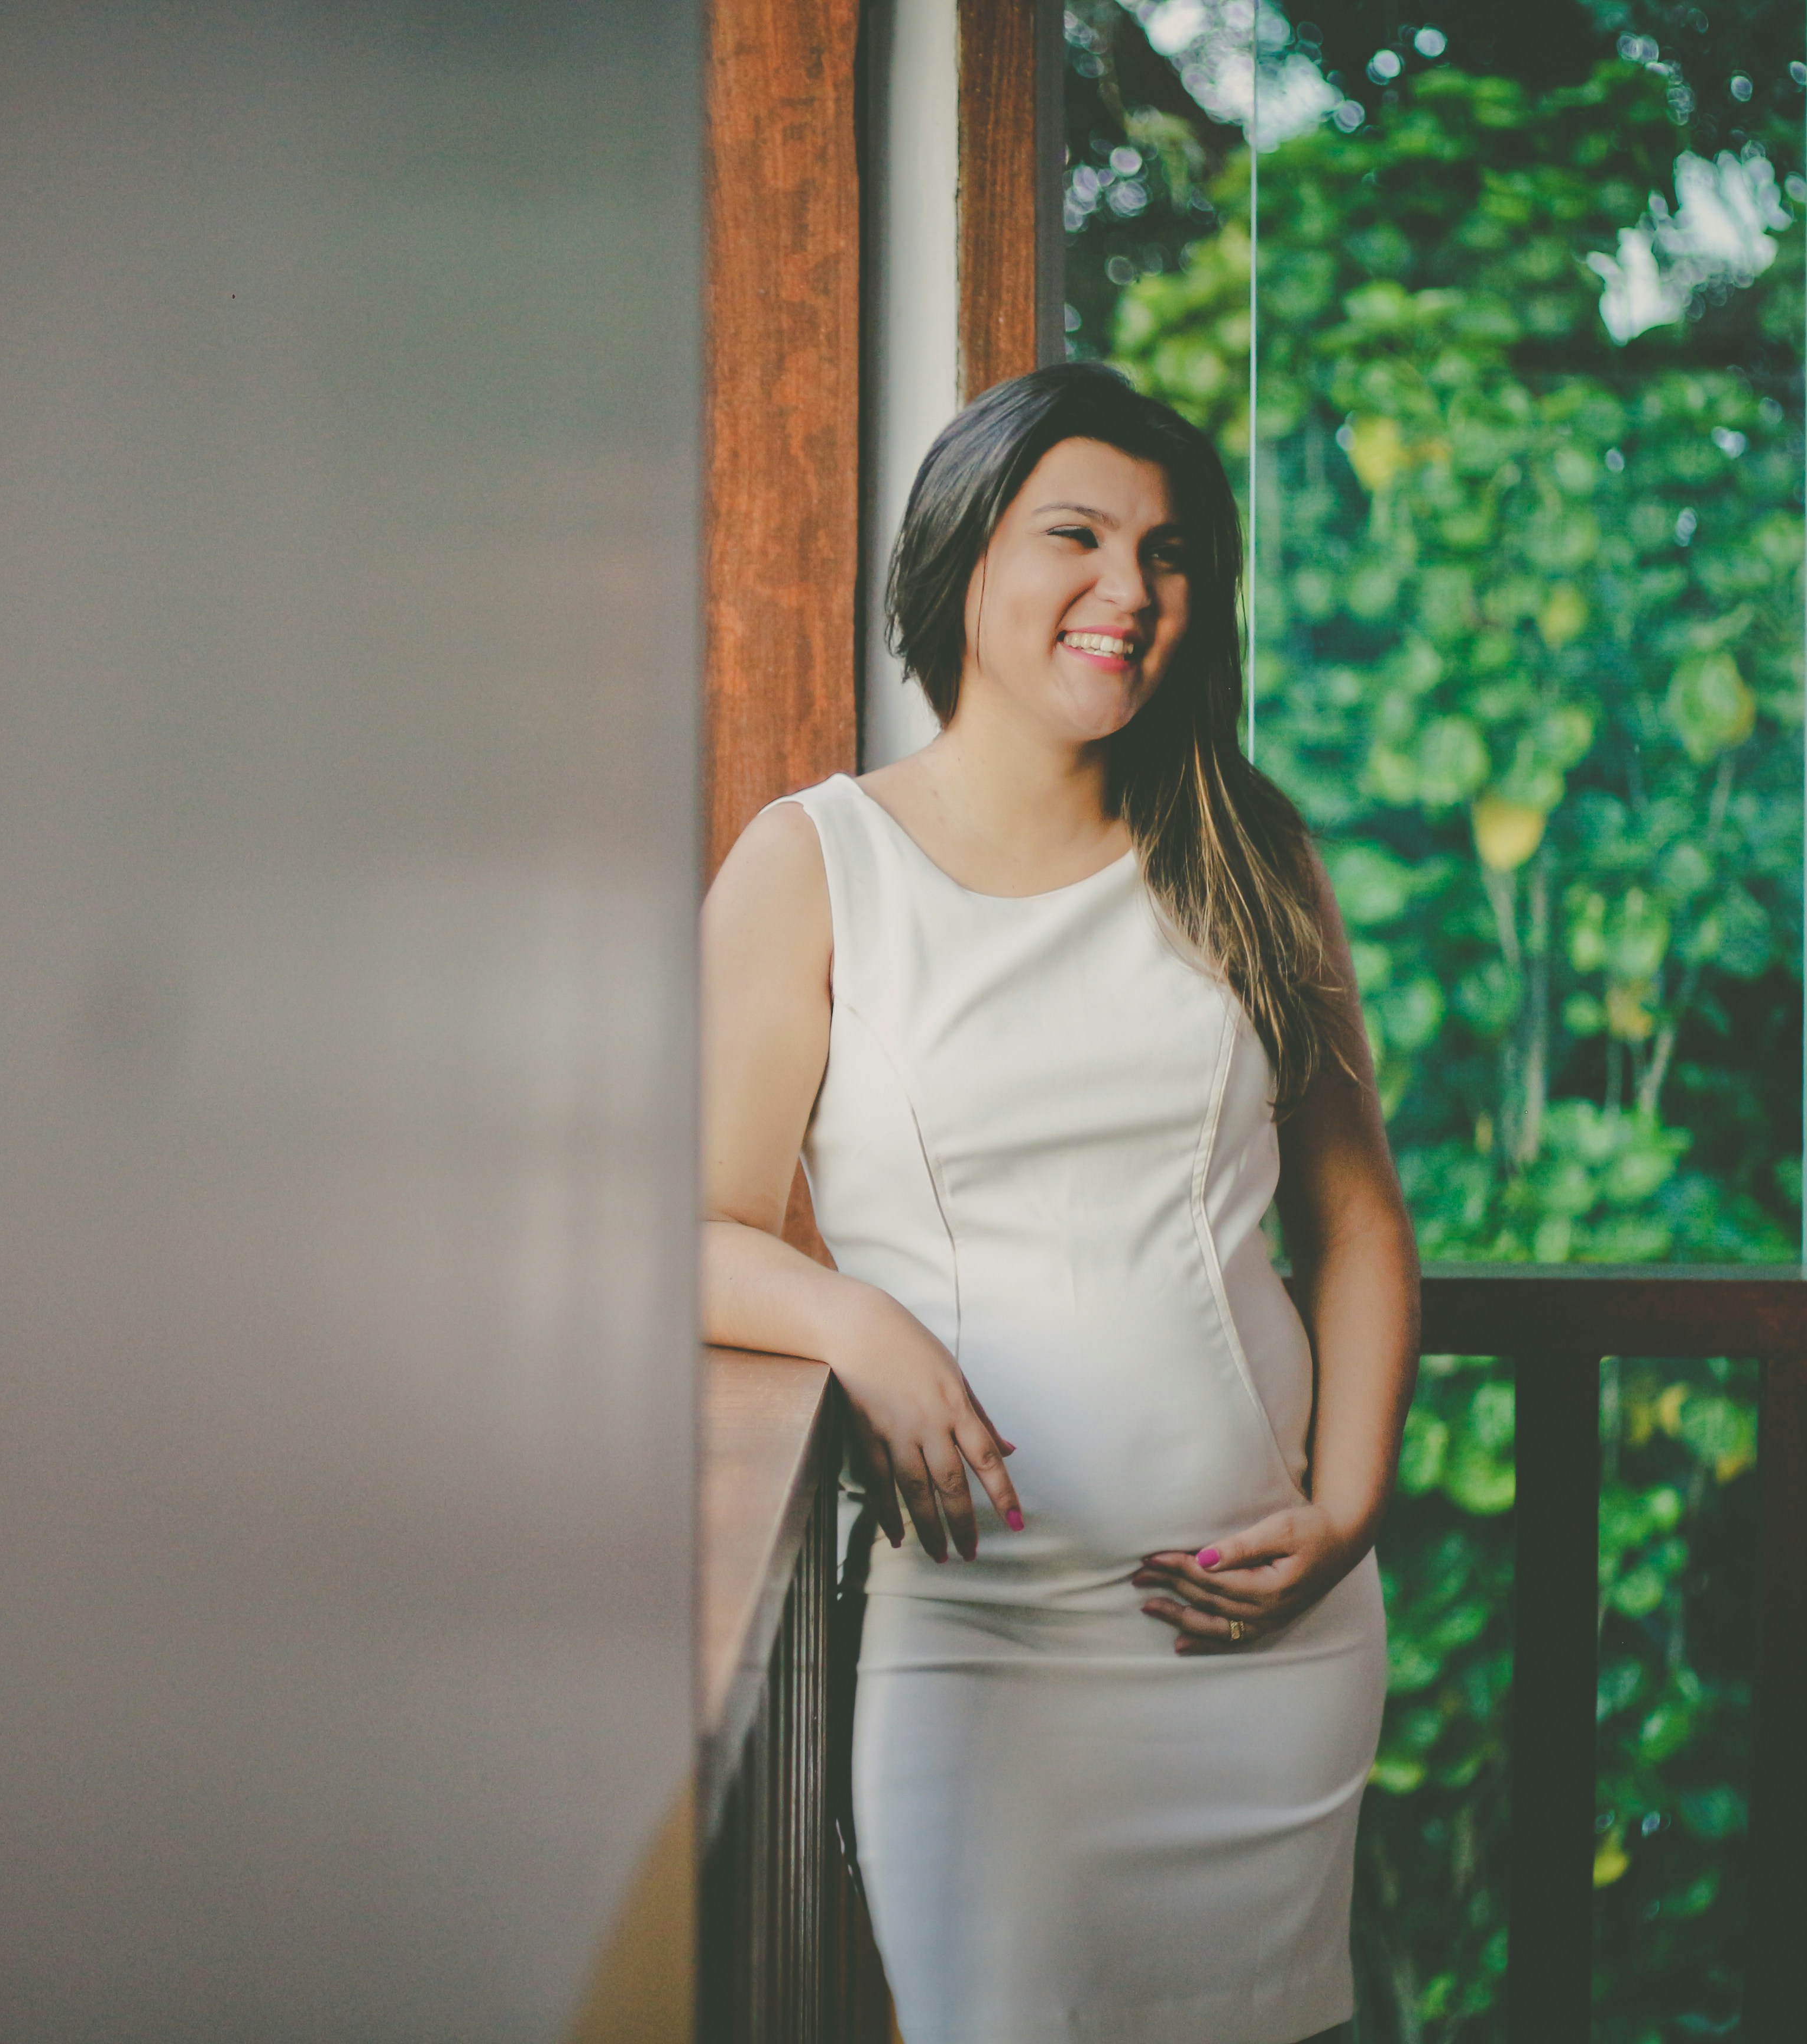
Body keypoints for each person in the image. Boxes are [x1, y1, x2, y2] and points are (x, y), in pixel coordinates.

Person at [700, 363, 1417, 2044]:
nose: (1133, 592)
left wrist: (1350, 1510)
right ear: (960, 562)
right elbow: (695, 1225)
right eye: (1077, 537)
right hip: (983, 1641)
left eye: (1172, 555)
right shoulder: (817, 864)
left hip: (1264, 1645)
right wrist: (852, 1322)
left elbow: (1359, 1219)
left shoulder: (1249, 848)